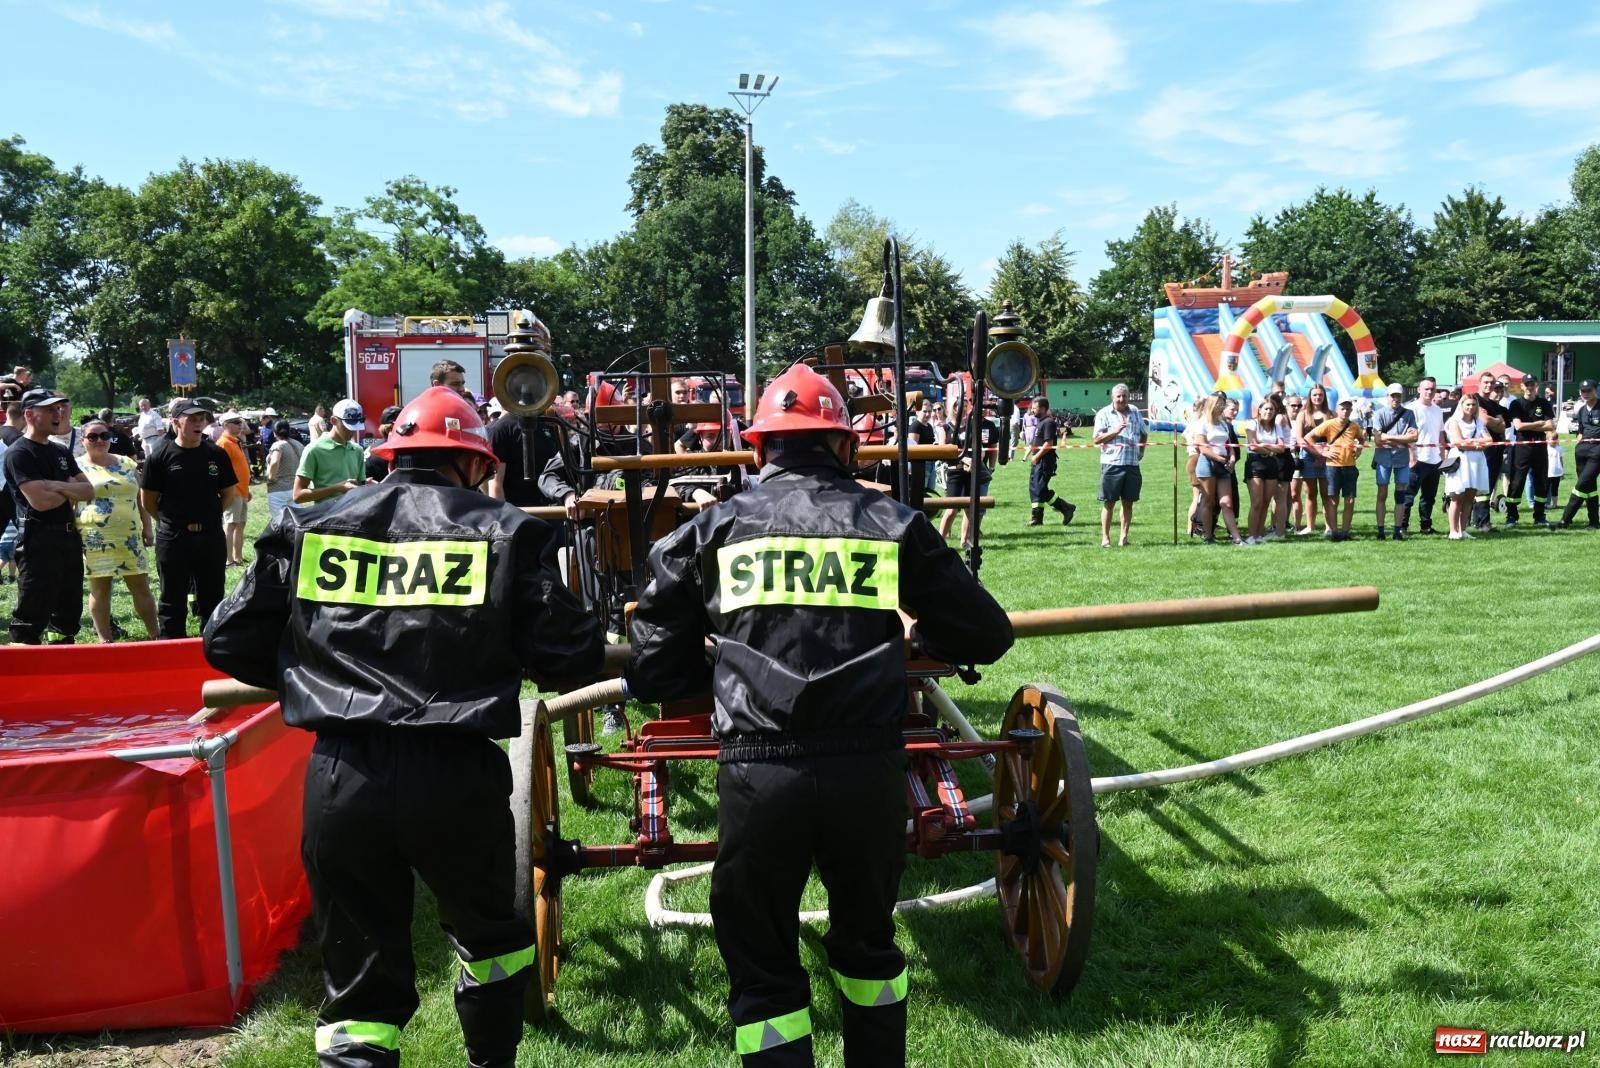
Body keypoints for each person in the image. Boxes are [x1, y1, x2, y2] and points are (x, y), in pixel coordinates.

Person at [624, 365, 1014, 1068]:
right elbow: (986, 633)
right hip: (866, 769)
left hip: (757, 773)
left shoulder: (712, 529)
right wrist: (924, 643)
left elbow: (653, 662)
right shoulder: (893, 523)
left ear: (756, 450)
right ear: (847, 451)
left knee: (763, 963)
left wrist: (708, 675)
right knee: (867, 946)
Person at [204, 386, 603, 1068]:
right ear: (476, 464)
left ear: (389, 456)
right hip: (456, 770)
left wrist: (321, 669)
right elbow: (569, 656)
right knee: (491, 939)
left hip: (342, 772)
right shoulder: (506, 531)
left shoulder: (311, 526)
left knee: (358, 974)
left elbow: (230, 642)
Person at [139, 398, 238, 637]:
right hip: (174, 537)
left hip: (210, 536)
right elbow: (148, 501)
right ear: (175, 423)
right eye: (191, 419)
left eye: (201, 418)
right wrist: (172, 522)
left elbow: (228, 494)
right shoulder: (160, 456)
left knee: (212, 595)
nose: (198, 423)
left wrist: (208, 517)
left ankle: (211, 645)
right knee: (172, 597)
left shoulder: (216, 454)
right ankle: (171, 647)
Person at [5, 389, 95, 643]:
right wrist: (68, 489)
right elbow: (41, 502)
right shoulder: (20, 453)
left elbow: (88, 490)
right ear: (30, 415)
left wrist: (54, 485)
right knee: (33, 611)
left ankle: (62, 663)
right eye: (49, 410)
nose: (58, 414)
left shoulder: (59, 451)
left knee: (67, 612)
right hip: (39, 539)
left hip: (68, 537)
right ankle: (26, 671)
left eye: (59, 409)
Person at [75, 419, 158, 641]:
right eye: (92, 436)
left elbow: (141, 497)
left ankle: (156, 634)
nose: (99, 440)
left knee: (141, 585)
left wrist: (147, 527)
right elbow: (71, 503)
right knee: (100, 588)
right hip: (95, 536)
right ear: (83, 440)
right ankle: (105, 639)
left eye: (104, 435)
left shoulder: (126, 462)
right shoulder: (76, 466)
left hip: (130, 534)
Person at [1092, 384, 1146, 548]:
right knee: (1109, 503)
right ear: (1113, 398)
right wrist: (1115, 431)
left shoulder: (1135, 412)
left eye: (1124, 396)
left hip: (1131, 463)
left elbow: (1144, 433)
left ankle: (1124, 537)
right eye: (1118, 396)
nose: (1122, 399)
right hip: (1112, 464)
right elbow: (1096, 439)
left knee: (1128, 502)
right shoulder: (1104, 414)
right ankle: (1106, 538)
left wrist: (1141, 451)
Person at [1306, 397, 1366, 540]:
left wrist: (1359, 449)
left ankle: (1345, 532)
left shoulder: (1354, 426)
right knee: (1332, 500)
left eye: (1348, 409)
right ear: (1337, 410)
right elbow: (1308, 437)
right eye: (1342, 408)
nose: (1345, 411)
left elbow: (1362, 439)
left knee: (1350, 500)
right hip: (1332, 467)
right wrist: (1322, 452)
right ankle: (1333, 531)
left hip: (1350, 467)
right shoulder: (1329, 424)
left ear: (1351, 410)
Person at [1505, 373, 1557, 529]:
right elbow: (1518, 426)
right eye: (1527, 384)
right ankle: (1512, 516)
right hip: (1522, 447)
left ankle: (1539, 516)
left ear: (1537, 386)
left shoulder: (1544, 403)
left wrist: (1534, 425)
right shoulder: (1516, 404)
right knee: (1517, 482)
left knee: (1541, 481)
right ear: (1522, 387)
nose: (1530, 387)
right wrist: (1539, 424)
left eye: (1532, 384)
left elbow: (1550, 426)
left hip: (1540, 446)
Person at [294, 398, 367, 505]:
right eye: (347, 427)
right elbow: (298, 495)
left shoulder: (357, 450)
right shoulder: (314, 450)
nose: (352, 432)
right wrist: (337, 488)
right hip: (326, 518)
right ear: (333, 420)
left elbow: (359, 486)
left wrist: (367, 486)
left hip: (353, 516)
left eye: (355, 427)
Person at [1370, 383, 1418, 541]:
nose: (1396, 398)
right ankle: (1380, 530)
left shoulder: (1409, 414)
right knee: (1382, 494)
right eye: (1393, 395)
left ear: (1402, 396)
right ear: (1388, 396)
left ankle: (1397, 531)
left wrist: (1389, 437)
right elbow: (1378, 438)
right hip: (1383, 459)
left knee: (1400, 495)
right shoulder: (1379, 414)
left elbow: (1414, 437)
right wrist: (1402, 439)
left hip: (1402, 459)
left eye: (1398, 395)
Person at [1192, 394, 1242, 544]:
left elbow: (1229, 445)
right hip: (1207, 464)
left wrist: (1232, 458)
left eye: (1223, 404)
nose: (1222, 407)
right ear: (1213, 405)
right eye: (1220, 404)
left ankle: (1237, 538)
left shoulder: (1223, 423)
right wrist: (1219, 458)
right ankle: (1208, 536)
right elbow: (1201, 446)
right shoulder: (1203, 423)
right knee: (1208, 501)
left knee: (1226, 503)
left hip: (1224, 464)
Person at [1444, 394, 1490, 539]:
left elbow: (1489, 440)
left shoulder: (1478, 422)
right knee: (1457, 497)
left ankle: (1463, 529)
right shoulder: (1454, 421)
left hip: (1476, 463)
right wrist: (1477, 443)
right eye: (1468, 404)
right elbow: (1459, 442)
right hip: (1460, 461)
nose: (1470, 407)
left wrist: (1471, 443)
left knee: (1470, 498)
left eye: (1473, 405)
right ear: (1462, 405)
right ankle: (1453, 530)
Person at [1023, 395, 1073, 526]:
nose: (1032, 410)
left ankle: (1065, 507)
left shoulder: (1049, 422)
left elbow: (1048, 444)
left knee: (1039, 488)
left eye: (1035, 408)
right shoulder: (1040, 422)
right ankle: (1037, 518)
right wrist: (1029, 454)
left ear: (1043, 408)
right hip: (1038, 461)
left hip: (1045, 461)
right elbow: (1036, 442)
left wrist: (1037, 456)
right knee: (1035, 488)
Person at [1243, 398, 1287, 544]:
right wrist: (1270, 448)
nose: (1268, 412)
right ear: (1260, 410)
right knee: (1256, 502)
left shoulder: (1276, 426)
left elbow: (1282, 447)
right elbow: (1253, 445)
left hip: (1271, 464)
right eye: (1266, 409)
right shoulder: (1252, 424)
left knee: (1266, 501)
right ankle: (1251, 536)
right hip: (1255, 463)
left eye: (1271, 409)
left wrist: (1265, 446)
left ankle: (1259, 534)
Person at [1558, 379, 1600, 528]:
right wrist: (1579, 441)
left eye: (1589, 390)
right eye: (1583, 391)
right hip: (1582, 451)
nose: (1586, 394)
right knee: (1590, 487)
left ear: (1596, 390)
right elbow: (1580, 431)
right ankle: (1594, 522)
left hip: (1597, 450)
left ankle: (1565, 520)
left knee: (1581, 485)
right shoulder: (1581, 410)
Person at [1406, 377, 1445, 535]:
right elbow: (1408, 435)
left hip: (1434, 460)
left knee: (1429, 497)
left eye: (1432, 389)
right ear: (1419, 390)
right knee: (1409, 496)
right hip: (1417, 459)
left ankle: (1426, 526)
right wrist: (1411, 457)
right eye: (1426, 389)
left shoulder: (1437, 410)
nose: (1429, 392)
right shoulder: (1411, 409)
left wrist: (1442, 455)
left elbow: (1440, 433)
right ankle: (1402, 526)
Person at [1471, 373, 1510, 531]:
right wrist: (1495, 421)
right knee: (1482, 486)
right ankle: (1483, 521)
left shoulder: (1494, 405)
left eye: (1491, 383)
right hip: (1481, 448)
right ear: (1479, 383)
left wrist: (1494, 422)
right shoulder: (1475, 399)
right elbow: (1485, 421)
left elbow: (1501, 426)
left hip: (1496, 449)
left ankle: (1477, 520)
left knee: (1489, 486)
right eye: (1486, 382)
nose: (1489, 385)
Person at [1294, 386, 1334, 535]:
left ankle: (1329, 527)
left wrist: (1323, 456)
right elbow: (1299, 438)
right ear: (1310, 397)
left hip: (1326, 457)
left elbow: (1334, 438)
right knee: (1310, 494)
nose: (1317, 397)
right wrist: (1316, 454)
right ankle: (1310, 527)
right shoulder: (1303, 415)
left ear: (1324, 397)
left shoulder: (1331, 414)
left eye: (1320, 395)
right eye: (1315, 395)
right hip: (1308, 457)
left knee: (1326, 494)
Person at [217, 413, 254, 567]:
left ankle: (237, 557)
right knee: (230, 525)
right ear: (225, 424)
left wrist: (246, 489)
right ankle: (228, 560)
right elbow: (221, 470)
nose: (240, 425)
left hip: (242, 490)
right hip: (233, 491)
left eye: (241, 422)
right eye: (235, 422)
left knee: (240, 524)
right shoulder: (224, 443)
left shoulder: (235, 441)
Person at [264, 418, 304, 519]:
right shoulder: (298, 444)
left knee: (279, 521)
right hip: (295, 487)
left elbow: (274, 462)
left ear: (274, 432)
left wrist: (271, 477)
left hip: (278, 489)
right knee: (297, 520)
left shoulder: (278, 445)